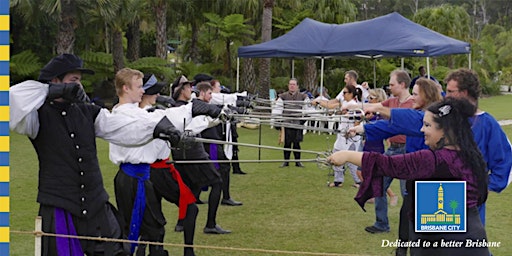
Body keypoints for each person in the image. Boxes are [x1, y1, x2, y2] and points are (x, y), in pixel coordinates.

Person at [9, 54, 179, 256]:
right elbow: (10, 99)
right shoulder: (36, 116)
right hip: (59, 204)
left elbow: (120, 127)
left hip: (96, 204)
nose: (78, 86)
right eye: (73, 81)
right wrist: (49, 91)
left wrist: (157, 128)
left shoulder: (88, 111)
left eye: (79, 81)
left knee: (117, 252)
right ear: (55, 80)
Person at [328, 97, 490, 256]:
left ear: (445, 131)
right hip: (469, 239)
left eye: (427, 125)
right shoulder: (471, 157)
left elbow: (387, 164)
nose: (421, 130)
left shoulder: (433, 160)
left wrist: (347, 155)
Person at [111, 68, 216, 256]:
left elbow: (163, 120)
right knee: (140, 230)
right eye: (139, 87)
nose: (143, 91)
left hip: (142, 175)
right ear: (126, 88)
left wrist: (206, 117)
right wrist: (191, 109)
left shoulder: (136, 112)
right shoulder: (126, 114)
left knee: (151, 229)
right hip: (134, 177)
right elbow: (157, 120)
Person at [138, 73, 199, 256]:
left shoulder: (154, 112)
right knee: (190, 209)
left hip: (153, 170)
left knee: (153, 216)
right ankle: (188, 252)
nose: (158, 95)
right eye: (155, 92)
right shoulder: (150, 115)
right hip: (157, 170)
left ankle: (152, 250)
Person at [352, 69, 414, 234]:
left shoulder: (414, 103)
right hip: (392, 149)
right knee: (378, 183)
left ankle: (411, 227)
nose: (390, 87)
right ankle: (381, 224)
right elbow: (375, 106)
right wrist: (356, 107)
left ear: (402, 85)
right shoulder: (392, 101)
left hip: (408, 152)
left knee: (407, 192)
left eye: (392, 84)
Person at [170, 75, 232, 234]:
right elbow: (193, 127)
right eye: (188, 87)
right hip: (192, 152)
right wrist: (218, 117)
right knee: (217, 182)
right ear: (181, 90)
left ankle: (181, 222)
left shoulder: (182, 106)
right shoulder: (183, 108)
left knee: (191, 187)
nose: (192, 90)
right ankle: (210, 224)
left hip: (180, 153)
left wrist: (218, 116)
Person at [196, 81, 243, 206]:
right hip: (209, 142)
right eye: (210, 93)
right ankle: (225, 197)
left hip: (213, 140)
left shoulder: (206, 105)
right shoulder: (198, 106)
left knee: (211, 169)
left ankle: (198, 196)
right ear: (202, 92)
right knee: (222, 168)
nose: (212, 96)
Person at [363, 88, 398, 205]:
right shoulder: (371, 114)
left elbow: (386, 131)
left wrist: (390, 144)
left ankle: (392, 195)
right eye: (368, 98)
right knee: (364, 172)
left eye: (371, 98)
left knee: (375, 174)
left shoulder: (382, 116)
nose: (369, 100)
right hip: (368, 145)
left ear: (378, 99)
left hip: (377, 147)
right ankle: (374, 194)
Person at [326, 84, 363, 188]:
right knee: (336, 155)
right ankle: (338, 180)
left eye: (345, 93)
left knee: (351, 160)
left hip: (350, 138)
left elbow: (358, 119)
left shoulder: (354, 104)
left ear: (351, 94)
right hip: (341, 136)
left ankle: (358, 181)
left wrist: (353, 130)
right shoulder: (345, 103)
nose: (343, 95)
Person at [276, 78, 310, 168]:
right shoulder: (283, 96)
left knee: (296, 143)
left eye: (294, 84)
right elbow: (278, 110)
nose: (292, 86)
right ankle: (286, 162)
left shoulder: (303, 97)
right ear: (288, 86)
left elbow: (307, 110)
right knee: (287, 143)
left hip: (297, 123)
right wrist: (278, 122)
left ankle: (297, 162)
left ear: (297, 86)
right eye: (290, 84)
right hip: (286, 122)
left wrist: (303, 121)